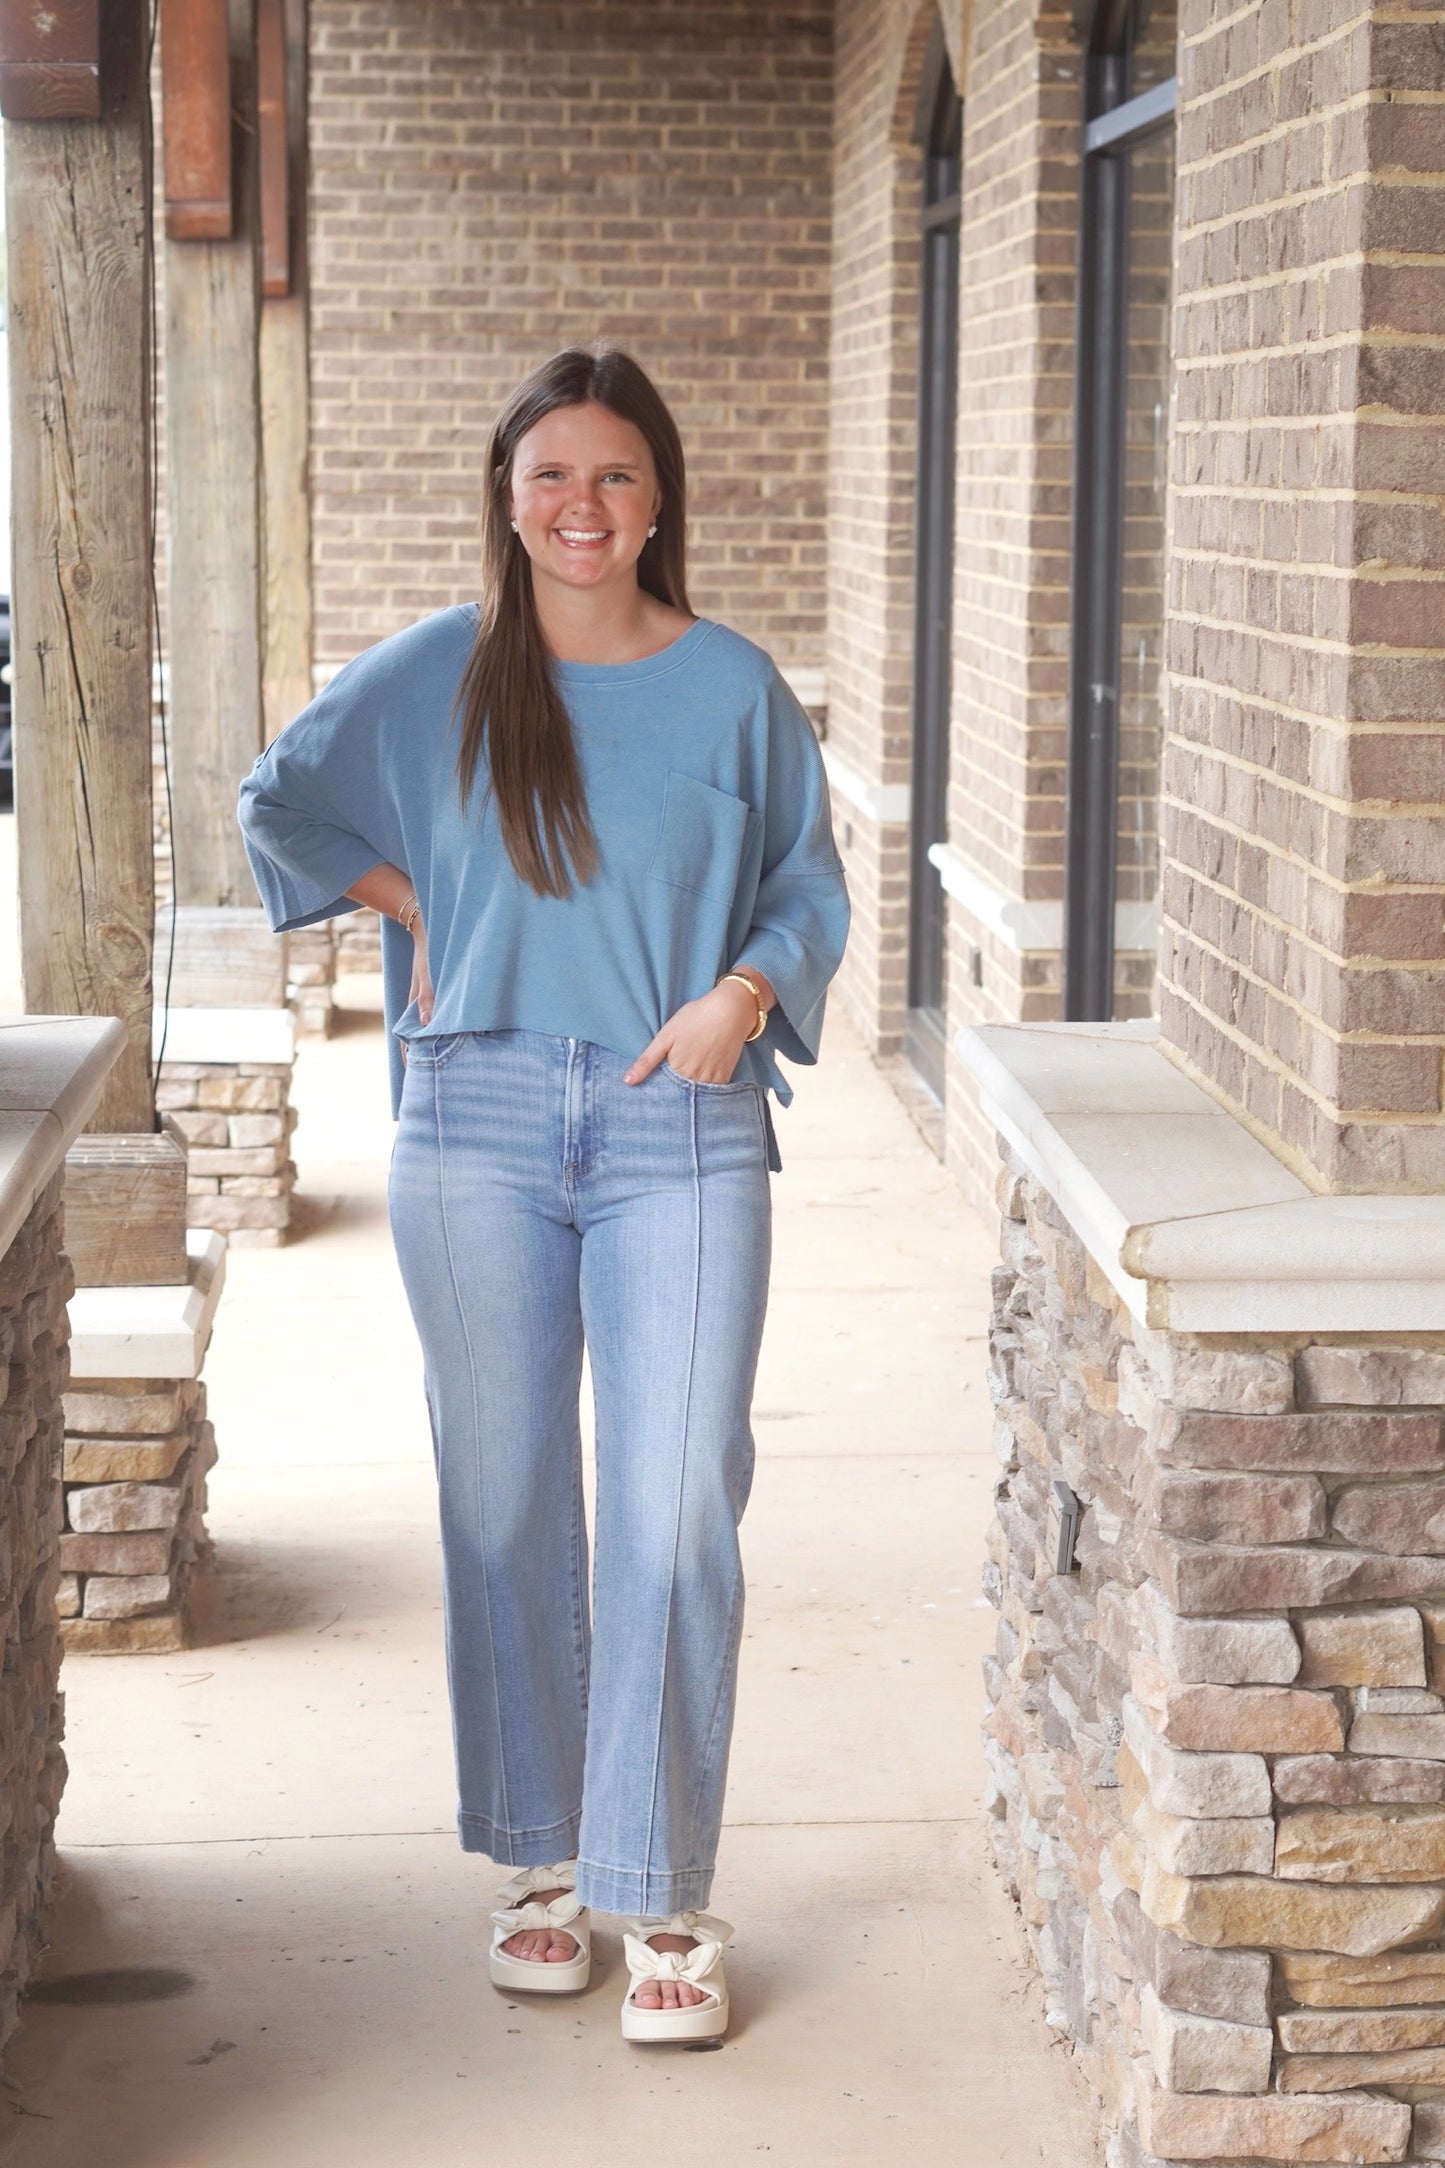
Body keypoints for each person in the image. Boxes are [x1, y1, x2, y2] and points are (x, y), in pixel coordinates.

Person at [238, 342, 850, 2044]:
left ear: (661, 499)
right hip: (476, 1120)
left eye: (616, 475)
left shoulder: (732, 683)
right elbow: (275, 805)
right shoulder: (439, 670)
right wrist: (425, 903)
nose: (582, 507)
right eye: (549, 477)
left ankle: (659, 1896)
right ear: (506, 502)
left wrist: (741, 995)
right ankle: (544, 1867)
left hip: (682, 1123)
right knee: (504, 1500)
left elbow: (805, 881)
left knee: (669, 1513)